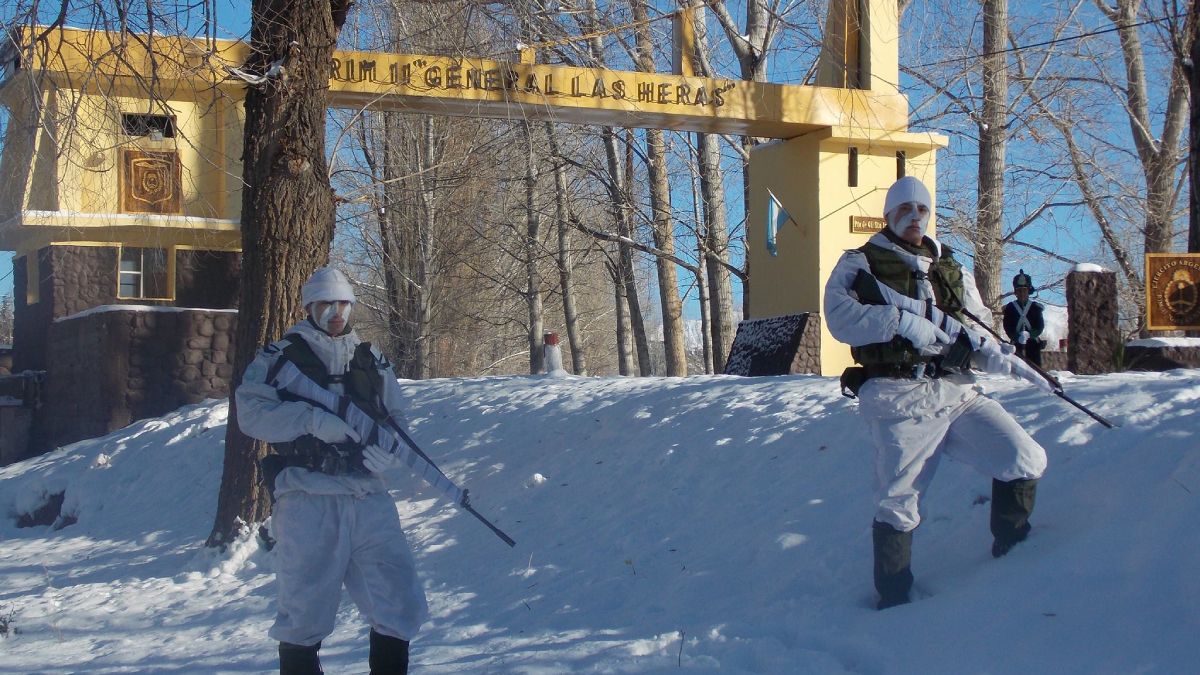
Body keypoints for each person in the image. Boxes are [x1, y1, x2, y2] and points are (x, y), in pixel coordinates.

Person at [823, 176, 1052, 610]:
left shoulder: (950, 266)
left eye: (922, 210)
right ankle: (894, 603)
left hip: (957, 392)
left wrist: (990, 354)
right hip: (900, 398)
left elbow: (976, 327)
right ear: (889, 214)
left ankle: (1016, 560)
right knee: (899, 504)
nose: (914, 217)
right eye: (905, 209)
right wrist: (901, 322)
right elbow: (839, 317)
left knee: (1023, 458)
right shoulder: (861, 263)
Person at [236, 267, 427, 674]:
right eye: (326, 304)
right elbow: (250, 414)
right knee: (303, 614)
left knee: (398, 600)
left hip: (369, 497)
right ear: (310, 307)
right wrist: (310, 420)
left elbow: (397, 418)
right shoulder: (280, 357)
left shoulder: (372, 360)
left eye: (343, 304)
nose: (336, 313)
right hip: (309, 499)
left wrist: (387, 452)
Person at [1002, 270, 1046, 367]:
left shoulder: (1036, 308)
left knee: (1036, 370)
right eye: (1019, 290)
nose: (1022, 293)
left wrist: (1030, 334)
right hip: (1016, 345)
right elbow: (1007, 327)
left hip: (1033, 345)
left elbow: (1039, 326)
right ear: (1015, 292)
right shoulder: (1010, 308)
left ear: (1028, 291)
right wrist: (1016, 337)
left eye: (1024, 290)